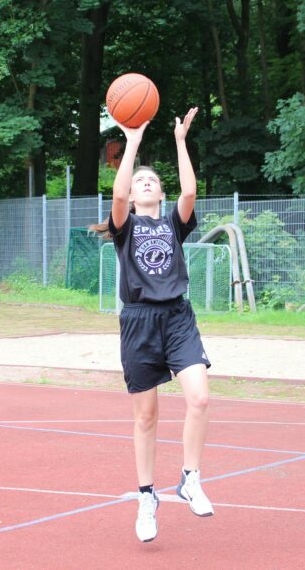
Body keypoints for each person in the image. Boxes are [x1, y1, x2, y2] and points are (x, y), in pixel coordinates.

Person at [91, 106, 213, 543]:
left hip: (177, 317)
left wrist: (180, 141)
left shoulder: (173, 224)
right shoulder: (124, 226)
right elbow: (117, 194)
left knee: (199, 397)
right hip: (139, 322)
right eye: (139, 180)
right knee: (146, 417)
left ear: (160, 193)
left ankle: (190, 478)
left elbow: (190, 191)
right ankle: (147, 496)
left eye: (152, 180)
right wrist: (132, 142)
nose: (145, 182)